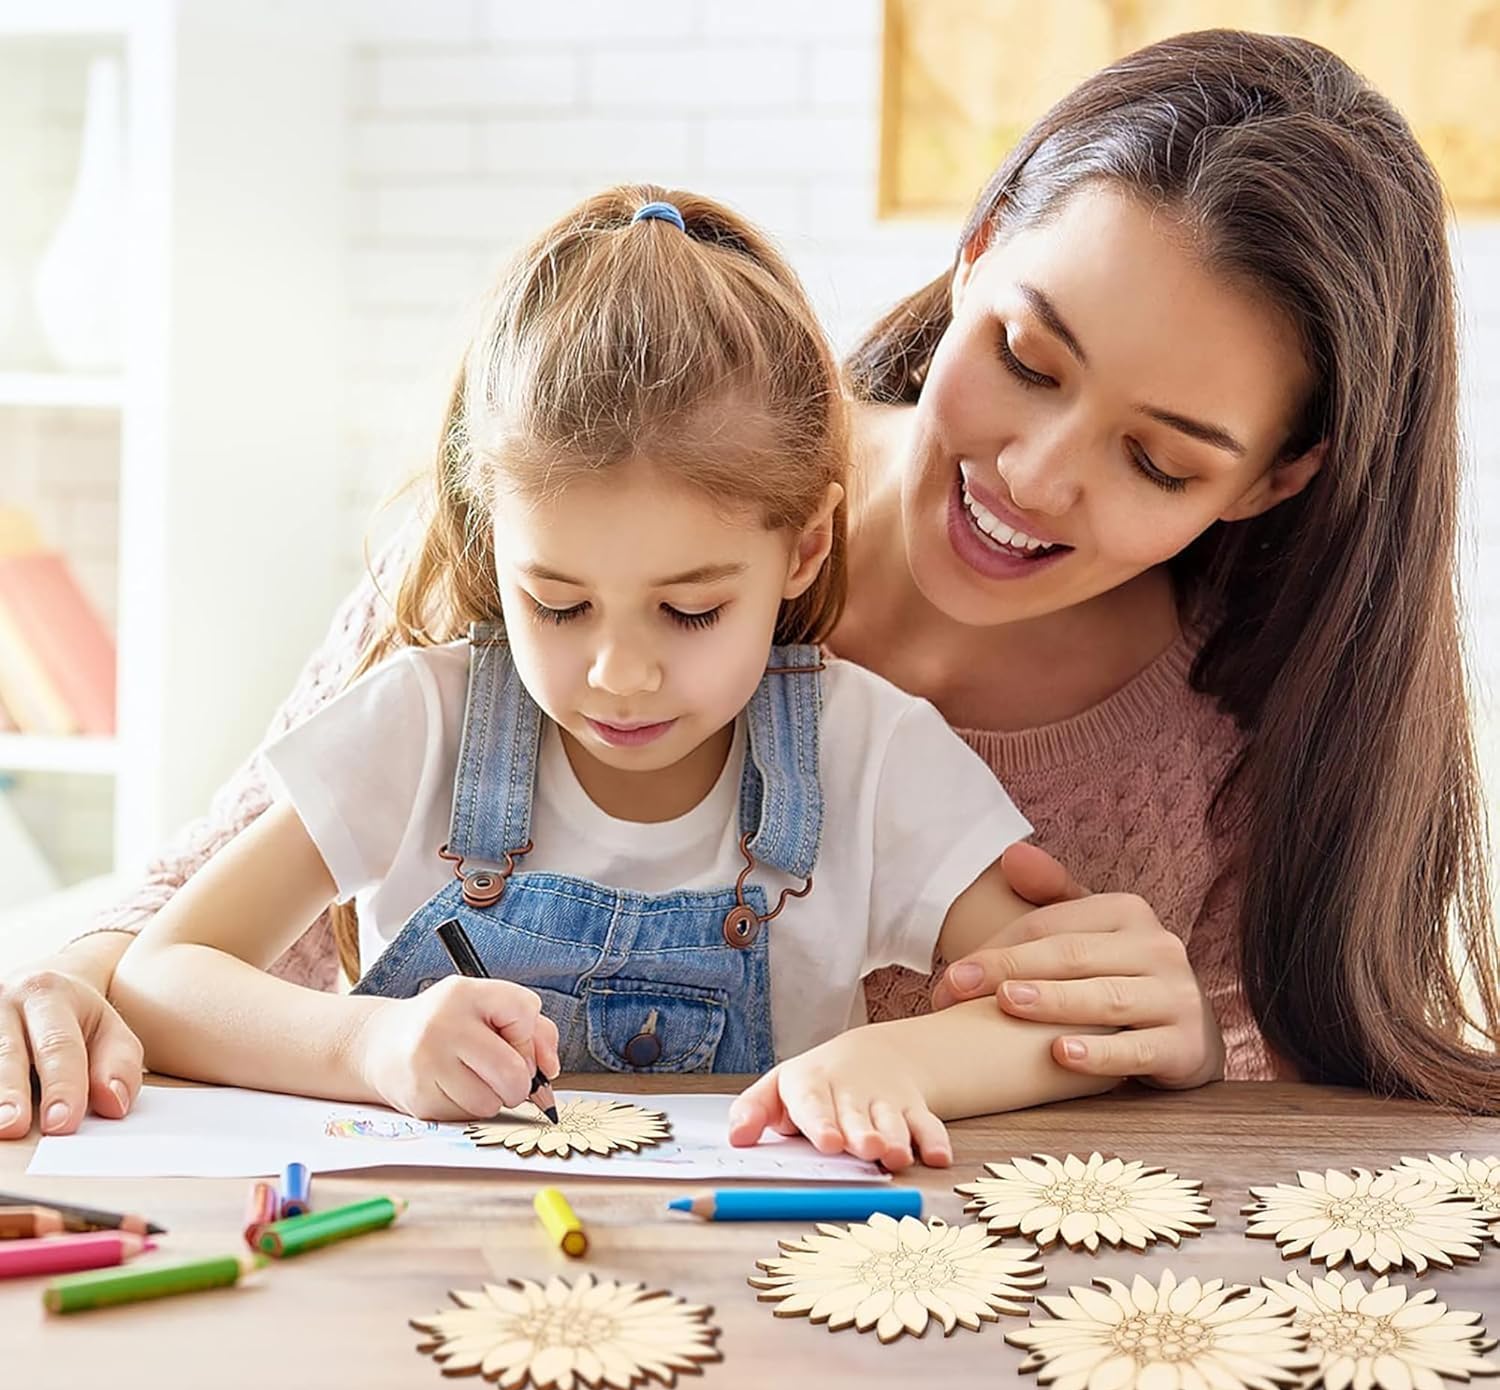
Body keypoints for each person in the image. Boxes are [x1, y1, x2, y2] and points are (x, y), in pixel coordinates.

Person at [4, 27, 1494, 1141]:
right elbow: (186, 913)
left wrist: (1170, 1046)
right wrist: (73, 984)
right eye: (1028, 358)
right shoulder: (626, 468)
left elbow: (1236, 1126)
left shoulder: (1220, 729)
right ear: (974, 254)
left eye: (1159, 463)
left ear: (1274, 480)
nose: (1037, 474)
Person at [106, 187, 1119, 1172]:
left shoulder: (866, 753)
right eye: (556, 603)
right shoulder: (425, 726)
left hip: (750, 1288)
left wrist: (898, 1058)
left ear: (804, 549)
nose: (618, 675)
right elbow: (162, 977)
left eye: (690, 611)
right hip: (427, 1275)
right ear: (492, 542)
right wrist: (366, 1045)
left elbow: (1065, 1016)